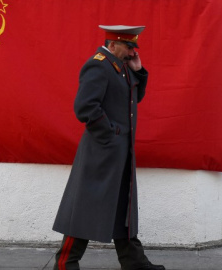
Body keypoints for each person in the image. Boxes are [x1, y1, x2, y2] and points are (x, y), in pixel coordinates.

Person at [52, 25, 164, 270]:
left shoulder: (121, 67)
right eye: (127, 47)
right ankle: (65, 264)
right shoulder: (99, 65)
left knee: (123, 208)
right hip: (101, 154)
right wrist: (111, 134)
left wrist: (139, 71)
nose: (131, 52)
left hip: (119, 153)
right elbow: (85, 107)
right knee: (83, 210)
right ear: (112, 44)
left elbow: (133, 99)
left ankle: (134, 263)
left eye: (133, 48)